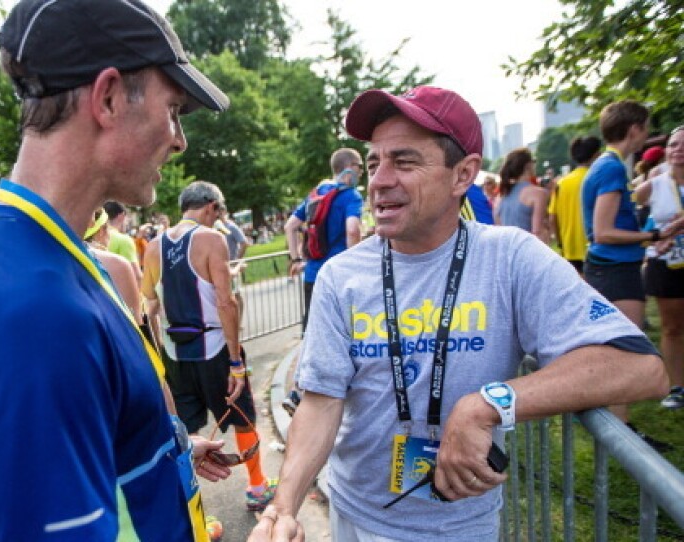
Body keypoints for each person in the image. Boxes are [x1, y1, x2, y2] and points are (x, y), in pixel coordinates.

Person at [248, 86, 669, 542]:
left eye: (404, 162)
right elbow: (322, 400)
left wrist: (488, 404)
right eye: (374, 163)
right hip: (355, 515)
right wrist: (284, 505)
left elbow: (640, 367)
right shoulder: (340, 277)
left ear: (462, 174)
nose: (379, 180)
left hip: (459, 527)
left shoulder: (510, 259)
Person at [0, 0, 233, 539]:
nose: (180, 138)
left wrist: (164, 445)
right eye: (173, 110)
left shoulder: (48, 255)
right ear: (110, 97)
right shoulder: (32, 312)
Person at [142, 181, 278, 512]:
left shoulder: (153, 246)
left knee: (183, 431)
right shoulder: (211, 239)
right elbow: (225, 302)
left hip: (175, 354)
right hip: (214, 348)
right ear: (210, 207)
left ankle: (191, 512)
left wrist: (160, 356)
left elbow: (150, 305)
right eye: (221, 210)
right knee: (242, 414)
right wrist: (236, 362)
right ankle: (257, 487)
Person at [581, 100, 681, 450]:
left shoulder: (606, 165)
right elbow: (604, 231)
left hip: (613, 267)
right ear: (635, 128)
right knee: (624, 352)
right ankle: (620, 434)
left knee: (618, 349)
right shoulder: (610, 169)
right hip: (615, 270)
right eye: (646, 126)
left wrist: (652, 242)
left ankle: (620, 429)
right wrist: (653, 236)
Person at [285, 149, 364, 330]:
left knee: (313, 331)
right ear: (350, 167)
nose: (361, 172)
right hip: (342, 276)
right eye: (359, 166)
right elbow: (352, 230)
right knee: (343, 331)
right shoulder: (351, 196)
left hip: (313, 275)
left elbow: (289, 226)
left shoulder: (315, 195)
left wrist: (296, 259)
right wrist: (357, 264)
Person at [635, 126, 684, 409]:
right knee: (673, 327)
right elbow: (635, 220)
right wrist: (655, 238)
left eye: (683, 145)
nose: (678, 150)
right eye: (674, 144)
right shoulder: (654, 184)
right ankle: (676, 386)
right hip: (666, 263)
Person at [548, 136, 603, 274]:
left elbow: (553, 217)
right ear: (596, 155)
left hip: (570, 247)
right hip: (596, 246)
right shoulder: (598, 178)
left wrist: (560, 243)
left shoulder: (562, 183)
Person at [495, 148, 550, 243]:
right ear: (528, 165)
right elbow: (537, 231)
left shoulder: (500, 197)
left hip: (507, 252)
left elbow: (499, 229)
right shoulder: (538, 193)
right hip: (529, 251)